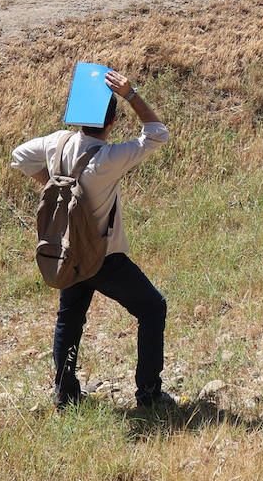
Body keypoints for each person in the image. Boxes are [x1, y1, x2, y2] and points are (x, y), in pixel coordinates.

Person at [11, 69, 171, 411]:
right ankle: (149, 395)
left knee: (69, 320)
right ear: (112, 122)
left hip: (67, 252)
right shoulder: (108, 158)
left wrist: (52, 184)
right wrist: (131, 95)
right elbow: (157, 134)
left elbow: (19, 155)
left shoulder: (57, 143)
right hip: (104, 258)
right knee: (153, 308)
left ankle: (66, 396)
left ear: (80, 118)